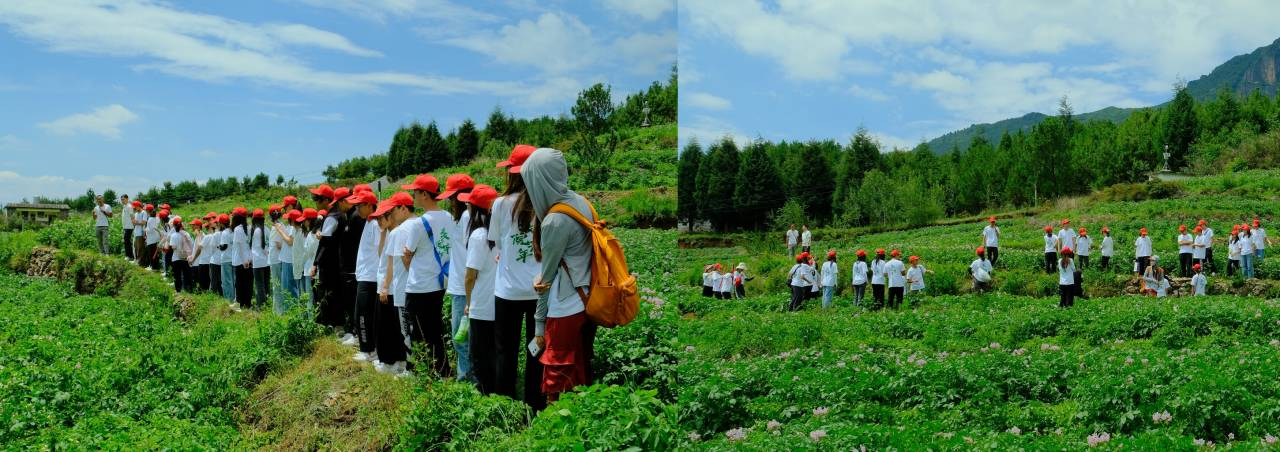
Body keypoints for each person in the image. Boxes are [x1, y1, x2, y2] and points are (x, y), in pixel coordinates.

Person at [524, 148, 600, 404]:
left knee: (557, 377)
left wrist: (539, 326)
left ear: (539, 181)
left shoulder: (555, 221)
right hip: (587, 300)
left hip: (565, 306)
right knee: (580, 371)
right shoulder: (581, 202)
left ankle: (554, 425)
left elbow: (545, 281)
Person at [489, 145, 546, 411]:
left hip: (507, 291)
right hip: (539, 291)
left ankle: (505, 406)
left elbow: (497, 243)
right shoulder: (546, 203)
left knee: (505, 351)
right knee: (537, 349)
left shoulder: (501, 204)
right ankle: (535, 406)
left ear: (512, 174)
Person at [399, 174, 454, 378]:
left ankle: (422, 373)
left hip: (419, 285)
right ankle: (443, 370)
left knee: (418, 333)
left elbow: (407, 255)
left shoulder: (418, 223)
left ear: (424, 194)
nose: (413, 196)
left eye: (415, 192)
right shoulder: (449, 217)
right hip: (440, 283)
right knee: (435, 330)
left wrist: (409, 260)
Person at [462, 184, 499, 394]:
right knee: (496, 355)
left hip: (482, 306)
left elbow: (470, 276)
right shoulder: (500, 233)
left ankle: (485, 397)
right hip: (501, 303)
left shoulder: (478, 235)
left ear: (474, 208)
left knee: (480, 358)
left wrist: (468, 303)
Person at [439, 174, 476, 382]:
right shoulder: (464, 217)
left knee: (461, 339)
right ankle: (468, 379)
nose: (450, 202)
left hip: (465, 289)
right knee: (463, 338)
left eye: (451, 198)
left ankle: (467, 382)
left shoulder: (467, 217)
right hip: (461, 286)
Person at [376, 192, 415, 377]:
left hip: (399, 288)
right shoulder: (395, 232)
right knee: (404, 330)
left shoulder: (399, 232)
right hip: (406, 287)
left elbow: (394, 264)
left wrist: (384, 287)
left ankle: (407, 367)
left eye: (390, 212)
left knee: (402, 330)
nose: (380, 220)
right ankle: (405, 365)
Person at [347, 190, 380, 362]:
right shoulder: (368, 222)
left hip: (370, 277)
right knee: (362, 314)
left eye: (359, 205)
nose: (357, 209)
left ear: (369, 205)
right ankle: (368, 348)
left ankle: (369, 350)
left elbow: (380, 250)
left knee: (363, 316)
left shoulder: (375, 224)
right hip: (364, 275)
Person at [313, 184, 348, 339]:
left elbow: (325, 244)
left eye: (317, 198)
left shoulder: (332, 217)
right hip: (338, 262)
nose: (315, 201)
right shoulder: (338, 215)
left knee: (328, 294)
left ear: (327, 200)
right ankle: (335, 324)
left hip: (330, 264)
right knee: (334, 294)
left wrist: (315, 263)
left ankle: (332, 325)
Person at [335, 187, 363, 347]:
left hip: (353, 268)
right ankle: (353, 331)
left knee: (354, 303)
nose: (338, 207)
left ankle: (356, 333)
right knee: (351, 302)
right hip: (349, 268)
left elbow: (356, 245)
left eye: (339, 203)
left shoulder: (356, 217)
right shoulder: (349, 216)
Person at [231, 208, 253, 309]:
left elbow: (239, 247)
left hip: (240, 261)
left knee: (239, 284)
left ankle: (238, 306)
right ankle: (247, 304)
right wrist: (248, 259)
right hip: (249, 260)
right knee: (248, 284)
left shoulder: (237, 229)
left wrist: (244, 260)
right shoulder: (250, 227)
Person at [250, 209, 271, 308]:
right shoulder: (267, 229)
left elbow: (255, 247)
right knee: (266, 284)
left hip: (258, 262)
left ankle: (261, 305)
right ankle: (267, 303)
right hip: (267, 261)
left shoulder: (256, 231)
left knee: (259, 285)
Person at [267, 206, 285, 312]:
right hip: (278, 259)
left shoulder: (276, 227)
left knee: (276, 285)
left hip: (276, 259)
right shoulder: (280, 225)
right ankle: (277, 310)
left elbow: (278, 245)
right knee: (278, 285)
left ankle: (278, 311)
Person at [169, 217, 192, 292]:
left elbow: (173, 247)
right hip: (185, 258)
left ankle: (178, 290)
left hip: (176, 258)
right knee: (186, 275)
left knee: (177, 276)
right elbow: (190, 245)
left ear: (174, 226)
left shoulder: (173, 235)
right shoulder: (186, 234)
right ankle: (187, 289)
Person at [218, 213, 236, 303]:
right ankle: (235, 299)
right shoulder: (233, 231)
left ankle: (229, 300)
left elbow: (224, 246)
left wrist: (219, 247)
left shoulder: (224, 232)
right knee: (233, 280)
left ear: (221, 223)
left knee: (226, 281)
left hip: (226, 259)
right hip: (233, 258)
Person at [190, 219, 208, 293]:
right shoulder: (198, 236)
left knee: (198, 281)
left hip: (197, 262)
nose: (192, 227)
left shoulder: (201, 235)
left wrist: (193, 259)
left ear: (198, 226)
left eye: (193, 225)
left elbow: (199, 249)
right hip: (195, 262)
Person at [145, 206, 163, 272]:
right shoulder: (157, 218)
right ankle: (155, 266)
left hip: (151, 239)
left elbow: (151, 229)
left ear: (148, 211)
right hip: (157, 238)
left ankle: (153, 267)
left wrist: (145, 229)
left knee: (151, 253)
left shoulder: (150, 219)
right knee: (156, 253)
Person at [132, 202, 148, 266]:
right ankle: (137, 260)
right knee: (136, 247)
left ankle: (140, 262)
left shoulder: (144, 212)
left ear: (139, 206)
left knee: (140, 248)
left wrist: (136, 222)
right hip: (136, 232)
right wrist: (134, 222)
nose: (134, 208)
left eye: (135, 207)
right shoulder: (136, 214)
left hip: (141, 233)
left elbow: (144, 222)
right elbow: (135, 223)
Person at [120, 194, 134, 261]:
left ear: (127, 199)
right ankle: (128, 255)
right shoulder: (124, 206)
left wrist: (134, 225)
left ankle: (129, 256)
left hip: (129, 226)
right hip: (125, 227)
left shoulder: (129, 206)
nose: (122, 201)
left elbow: (132, 216)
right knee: (126, 241)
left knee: (127, 241)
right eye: (121, 199)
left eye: (123, 199)